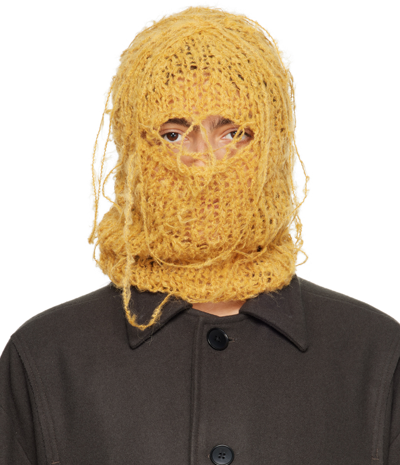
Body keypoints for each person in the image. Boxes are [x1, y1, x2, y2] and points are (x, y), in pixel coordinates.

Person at [1, 6, 399, 464]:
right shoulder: (46, 358)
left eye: (233, 133)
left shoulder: (375, 356)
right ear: (131, 148)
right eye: (172, 134)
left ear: (275, 145)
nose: (202, 160)